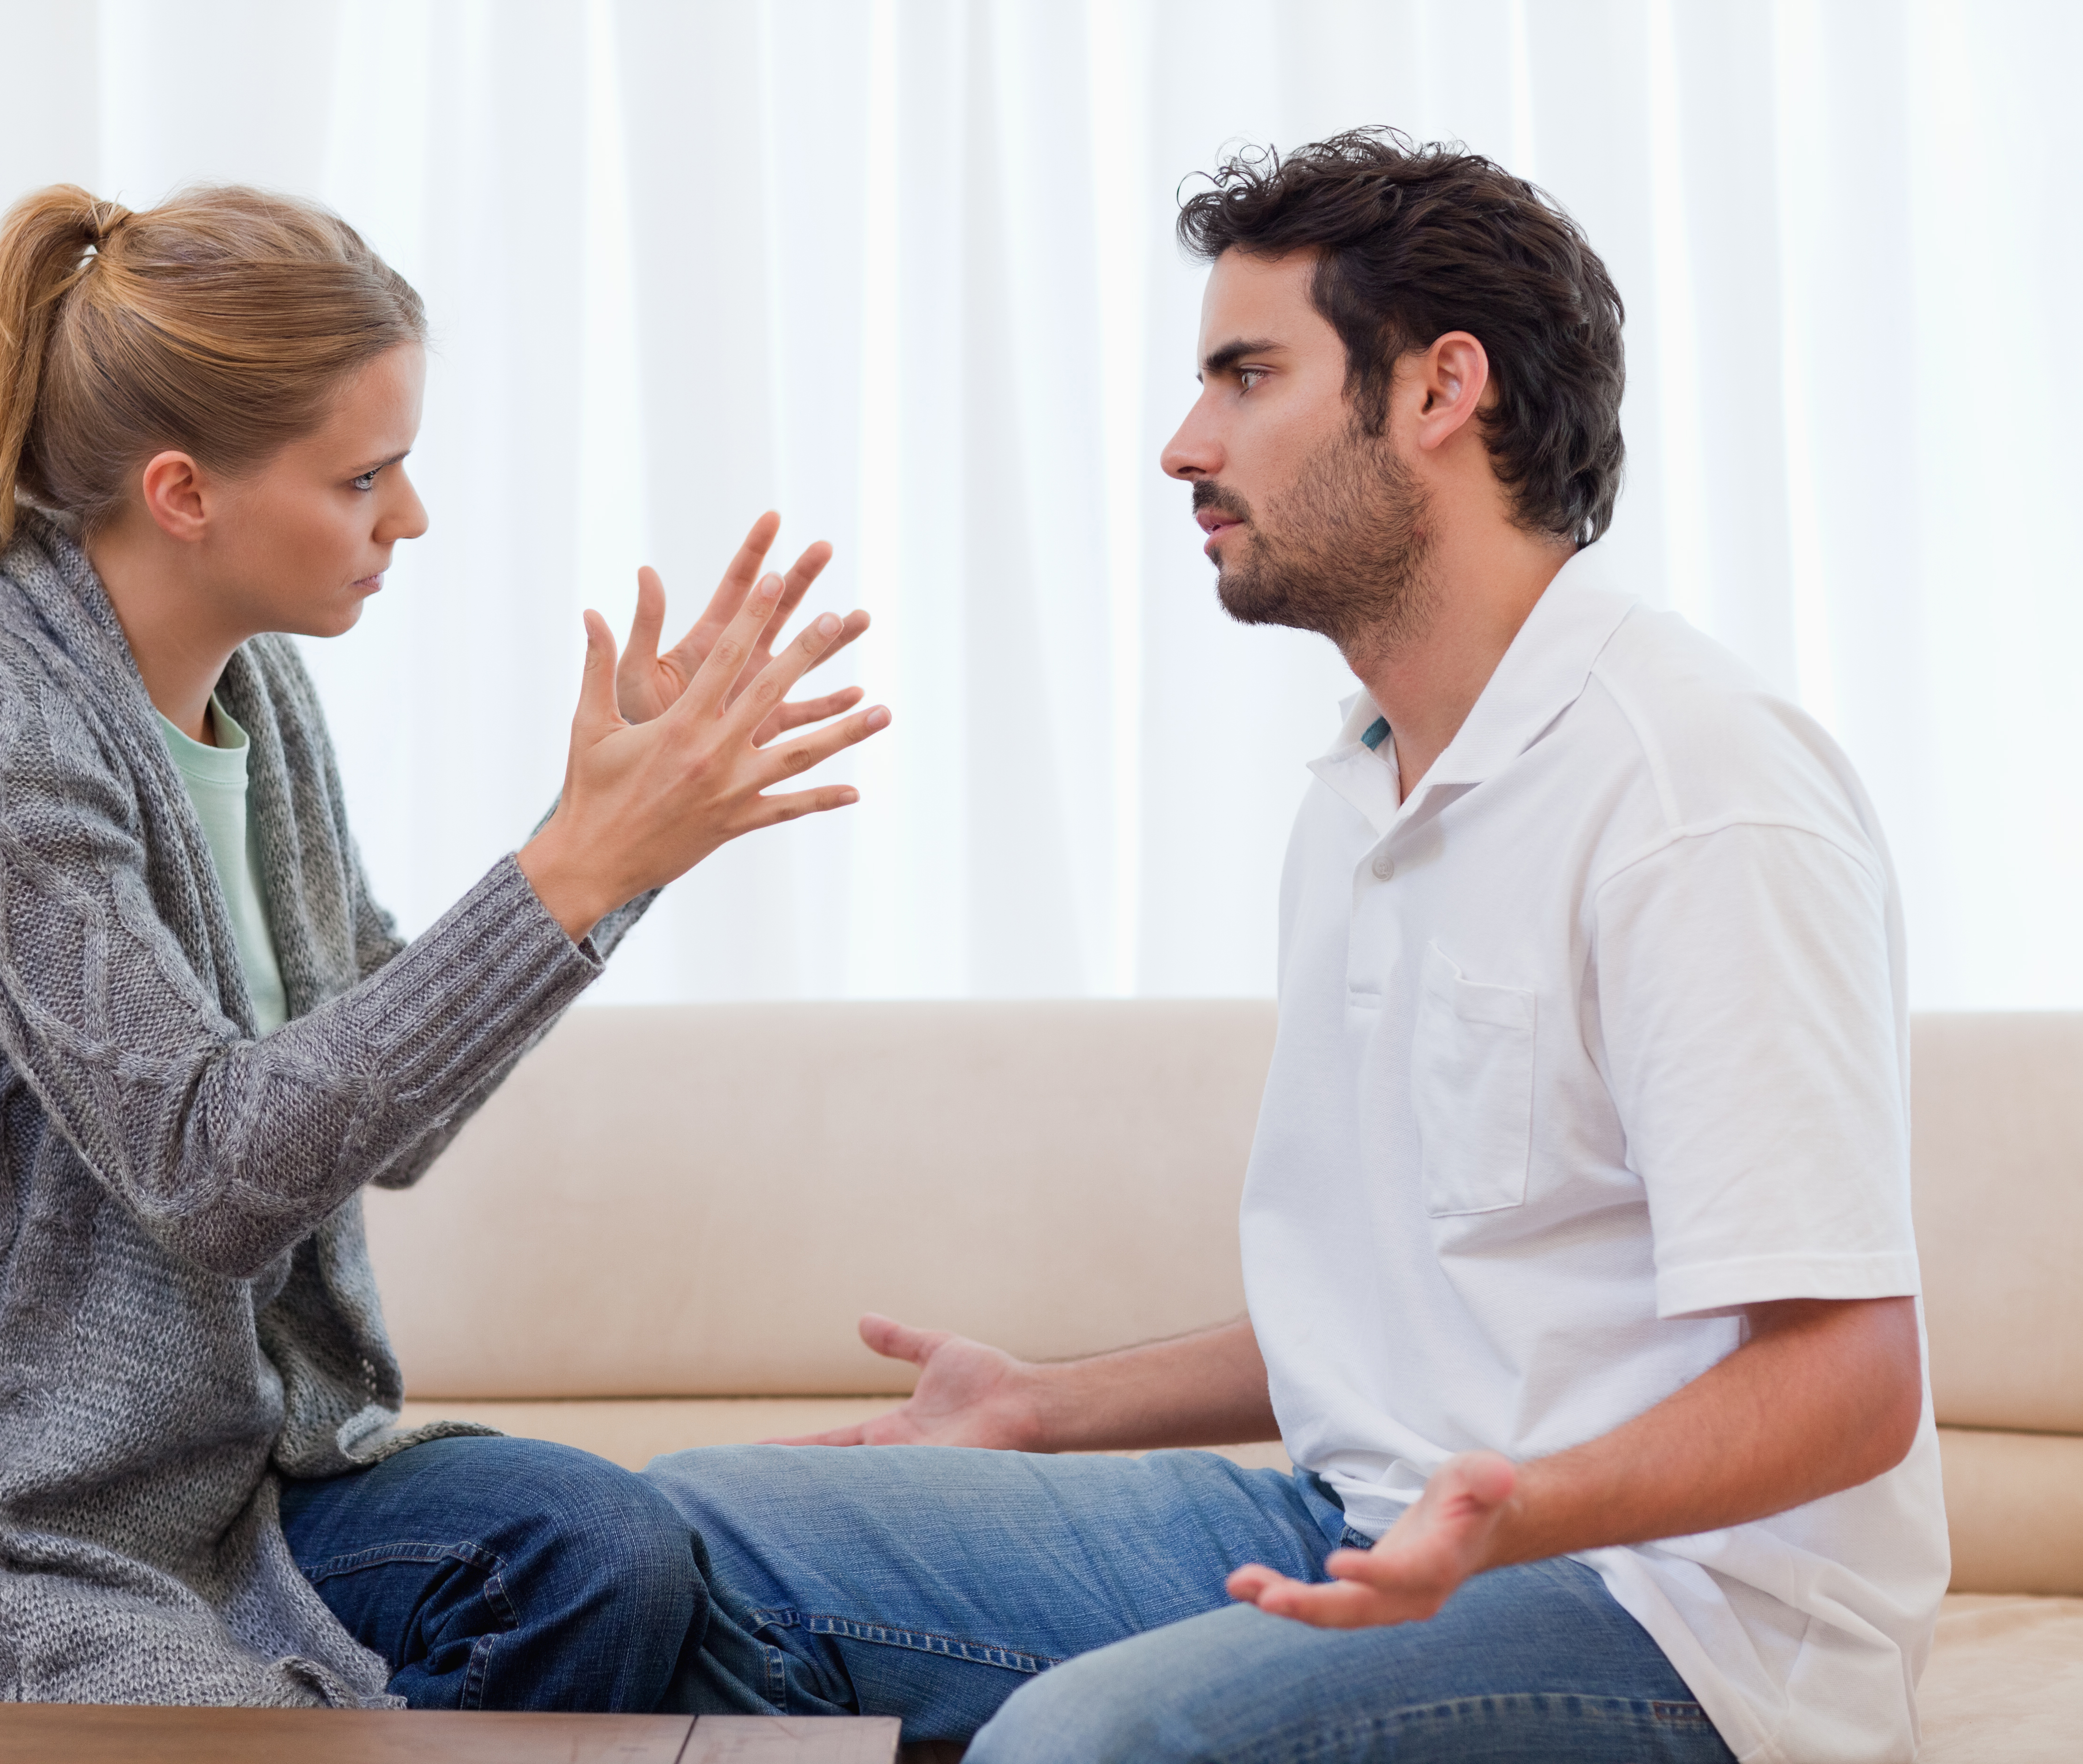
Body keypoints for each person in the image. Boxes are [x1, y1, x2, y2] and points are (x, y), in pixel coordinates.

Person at [647, 130, 1943, 1763]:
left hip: (1673, 1624)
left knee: (1085, 1746)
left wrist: (1515, 1509)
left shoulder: (1695, 793)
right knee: (679, 1552)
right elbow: (1429, 1293)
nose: (1187, 444)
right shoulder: (1363, 789)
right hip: (1362, 1518)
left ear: (1436, 390)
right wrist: (1048, 1407)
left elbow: (1850, 1379)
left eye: (1248, 375)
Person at [0, 183, 888, 1712]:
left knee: (603, 1554)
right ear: (184, 493)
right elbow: (210, 1169)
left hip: (255, 1476)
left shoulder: (259, 699)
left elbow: (391, 1111)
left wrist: (622, 848)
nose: (411, 519)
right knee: (282, 1727)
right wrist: (567, 875)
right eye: (366, 475)